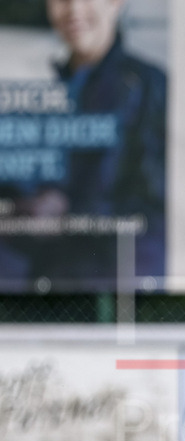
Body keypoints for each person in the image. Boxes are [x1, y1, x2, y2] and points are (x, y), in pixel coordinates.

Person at [0, 0, 166, 290]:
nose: (74, 10)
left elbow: (156, 201)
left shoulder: (148, 87)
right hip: (43, 284)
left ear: (115, 4)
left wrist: (69, 211)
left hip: (116, 287)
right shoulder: (43, 88)